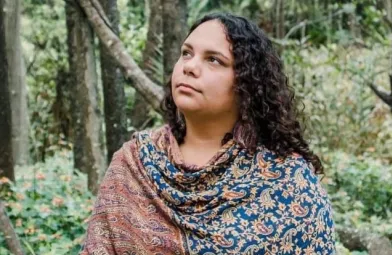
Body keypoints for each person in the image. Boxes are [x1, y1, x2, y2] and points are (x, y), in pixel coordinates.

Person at [80, 13, 335, 255]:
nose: (190, 66)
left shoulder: (289, 182)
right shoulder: (134, 165)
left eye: (214, 60)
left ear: (247, 83)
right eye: (186, 53)